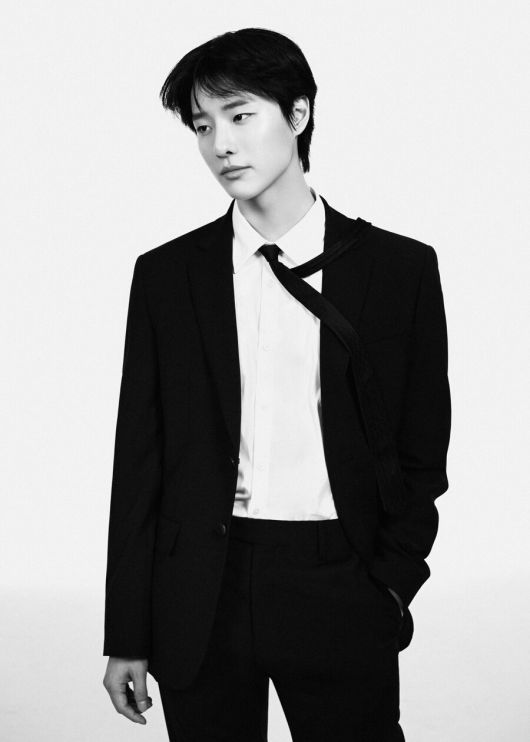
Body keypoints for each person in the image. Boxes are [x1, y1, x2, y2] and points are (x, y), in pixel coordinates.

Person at [102, 27, 451, 741]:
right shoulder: (167, 276)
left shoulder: (399, 270)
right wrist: (127, 633)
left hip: (339, 582)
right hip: (202, 592)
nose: (221, 145)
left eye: (240, 115)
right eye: (203, 126)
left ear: (297, 114)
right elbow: (140, 465)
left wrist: (390, 584)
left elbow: (422, 450)